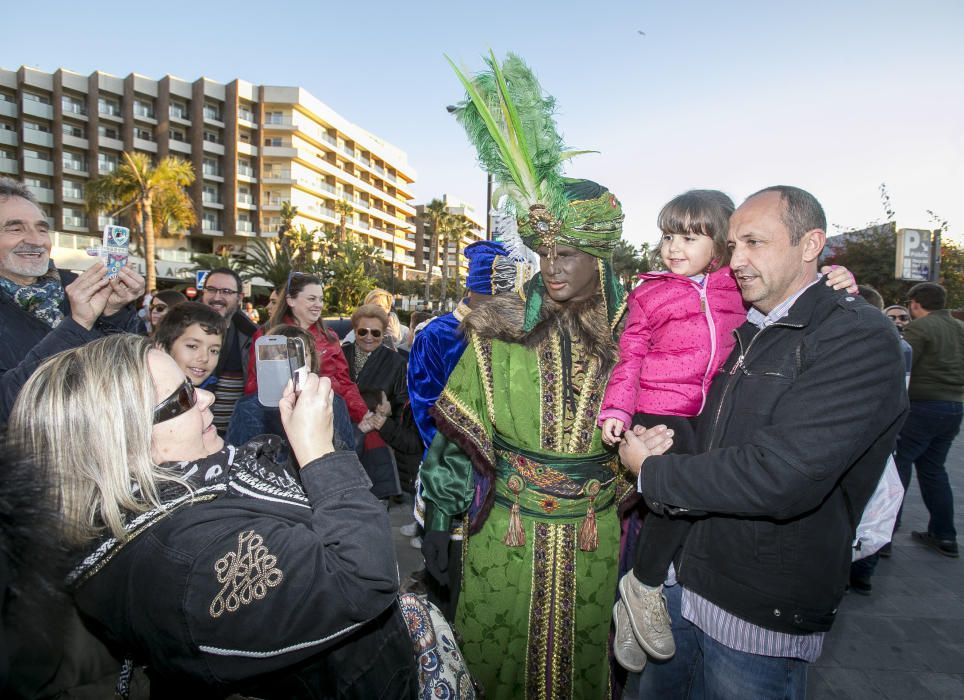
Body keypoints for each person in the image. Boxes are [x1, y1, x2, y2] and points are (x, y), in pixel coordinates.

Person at [8, 334, 418, 697]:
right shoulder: (185, 559)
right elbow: (361, 576)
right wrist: (319, 452)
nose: (205, 398)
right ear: (120, 439)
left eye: (194, 386)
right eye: (183, 398)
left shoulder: (190, 480)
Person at [620, 186, 907, 699]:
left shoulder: (856, 336)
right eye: (733, 246)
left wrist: (649, 470)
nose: (738, 261)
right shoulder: (745, 325)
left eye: (755, 243)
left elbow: (782, 475)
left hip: (757, 615)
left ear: (810, 244)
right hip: (685, 585)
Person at [0, 176, 144, 423]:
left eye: (42, 229)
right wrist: (76, 325)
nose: (36, 240)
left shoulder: (77, 286)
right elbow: (7, 404)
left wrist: (114, 312)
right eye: (15, 228)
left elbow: (131, 371)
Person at [894, 281, 963, 557]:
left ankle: (885, 534)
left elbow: (904, 367)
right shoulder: (959, 328)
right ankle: (945, 535)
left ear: (915, 304)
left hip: (922, 406)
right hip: (955, 405)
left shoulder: (919, 328)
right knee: (934, 469)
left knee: (900, 465)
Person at [246, 273, 369, 423]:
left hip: (328, 417)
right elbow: (254, 385)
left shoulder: (329, 337)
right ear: (291, 300)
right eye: (312, 299)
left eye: (321, 299)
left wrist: (363, 414)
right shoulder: (267, 335)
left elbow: (344, 383)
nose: (319, 304)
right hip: (278, 420)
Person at [228, 324, 356, 460]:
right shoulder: (247, 407)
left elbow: (347, 455)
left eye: (302, 354)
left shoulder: (331, 401)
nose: (292, 360)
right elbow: (234, 459)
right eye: (284, 354)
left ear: (312, 360)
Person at [343, 304, 421, 494]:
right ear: (355, 331)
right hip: (343, 439)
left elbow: (404, 406)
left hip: (377, 443)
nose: (369, 337)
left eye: (375, 333)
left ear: (383, 333)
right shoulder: (341, 356)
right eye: (363, 331)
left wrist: (389, 410)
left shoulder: (397, 362)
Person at [201, 267, 258, 434]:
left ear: (239, 297)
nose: (217, 297)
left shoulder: (252, 336)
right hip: (189, 433)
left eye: (226, 291)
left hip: (234, 438)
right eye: (211, 289)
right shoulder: (180, 329)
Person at [153, 301, 227, 387]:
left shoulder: (204, 394)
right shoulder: (143, 395)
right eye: (193, 346)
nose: (205, 358)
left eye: (214, 351)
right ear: (163, 348)